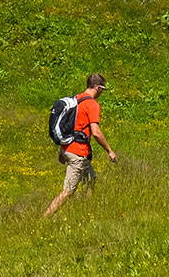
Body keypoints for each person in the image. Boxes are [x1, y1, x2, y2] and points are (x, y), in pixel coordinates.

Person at [45, 73, 116, 216]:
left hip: (69, 148)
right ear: (97, 87)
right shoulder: (92, 104)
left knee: (90, 178)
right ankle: (44, 219)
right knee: (68, 192)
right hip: (78, 153)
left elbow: (70, 126)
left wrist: (62, 150)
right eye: (102, 88)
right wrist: (109, 150)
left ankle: (86, 211)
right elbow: (95, 132)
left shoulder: (76, 100)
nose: (102, 92)